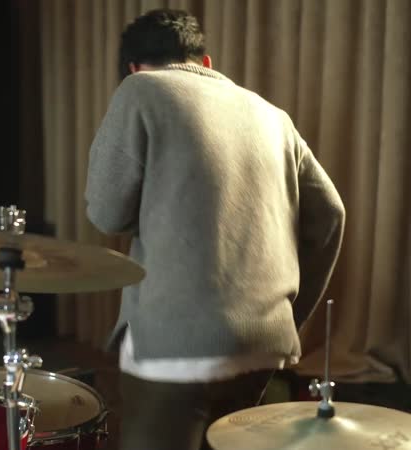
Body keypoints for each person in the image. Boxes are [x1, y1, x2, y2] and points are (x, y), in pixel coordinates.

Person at [84, 9, 345, 450]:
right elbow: (331, 215)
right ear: (205, 63)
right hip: (265, 343)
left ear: (133, 67)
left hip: (175, 348)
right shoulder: (273, 116)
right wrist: (286, 314)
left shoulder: (140, 89)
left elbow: (106, 213)